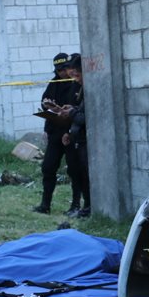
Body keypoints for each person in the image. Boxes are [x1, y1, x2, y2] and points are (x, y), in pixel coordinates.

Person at [33, 52, 75, 214]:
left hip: (71, 134)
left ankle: (76, 206)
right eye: (59, 70)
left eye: (65, 69)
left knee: (74, 171)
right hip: (54, 133)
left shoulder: (75, 84)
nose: (62, 73)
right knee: (48, 168)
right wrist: (47, 106)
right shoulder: (54, 83)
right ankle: (45, 205)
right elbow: (45, 102)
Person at [61, 54, 90, 217]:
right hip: (77, 137)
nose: (75, 79)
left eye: (77, 75)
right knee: (80, 174)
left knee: (86, 176)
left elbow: (86, 117)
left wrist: (71, 112)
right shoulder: (78, 88)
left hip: (85, 139)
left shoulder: (89, 90)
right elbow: (79, 112)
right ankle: (84, 206)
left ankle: (88, 207)